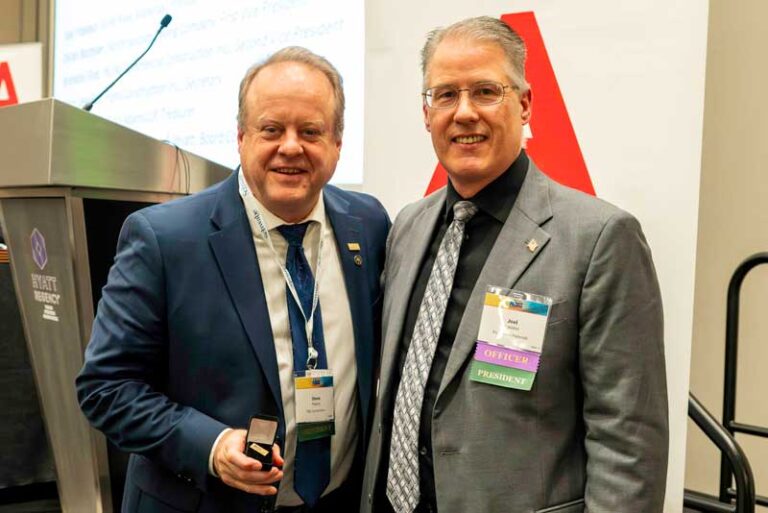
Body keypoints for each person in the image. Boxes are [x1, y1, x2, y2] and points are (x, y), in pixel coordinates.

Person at [362, 16, 668, 513]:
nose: (463, 113)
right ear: (426, 113)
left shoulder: (599, 239)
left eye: (485, 91)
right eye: (444, 95)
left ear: (524, 104)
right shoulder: (408, 227)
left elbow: (628, 439)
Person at [77, 46, 390, 513]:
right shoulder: (165, 240)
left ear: (337, 144)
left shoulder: (368, 225)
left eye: (311, 131)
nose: (291, 147)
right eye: (271, 129)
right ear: (241, 136)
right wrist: (212, 445)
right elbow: (106, 386)